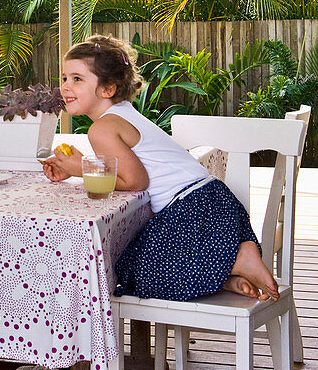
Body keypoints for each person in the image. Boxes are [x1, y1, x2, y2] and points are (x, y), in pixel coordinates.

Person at [41, 34, 279, 303]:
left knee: (136, 272)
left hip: (190, 211)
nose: (65, 87)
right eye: (64, 78)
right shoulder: (122, 113)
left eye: (77, 79)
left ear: (107, 89)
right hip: (213, 201)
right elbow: (127, 172)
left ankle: (236, 262)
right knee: (147, 262)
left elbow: (134, 181)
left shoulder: (102, 128)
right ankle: (225, 276)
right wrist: (79, 166)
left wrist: (81, 167)